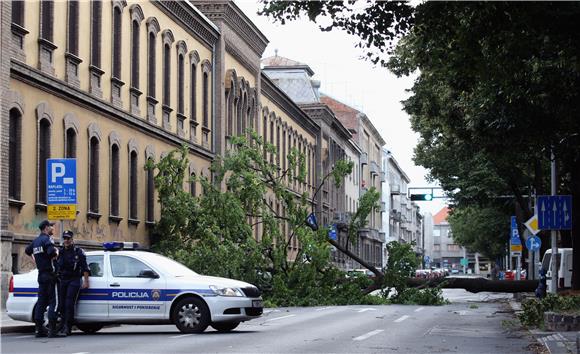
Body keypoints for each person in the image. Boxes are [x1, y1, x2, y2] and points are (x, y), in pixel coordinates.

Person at [25, 220, 64, 338]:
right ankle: (52, 330)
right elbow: (52, 252)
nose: (53, 228)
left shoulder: (36, 241)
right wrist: (56, 252)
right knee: (54, 302)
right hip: (51, 275)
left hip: (41, 275)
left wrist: (36, 260)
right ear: (46, 228)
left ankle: (38, 330)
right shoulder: (47, 240)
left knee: (41, 302)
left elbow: (27, 251)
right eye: (51, 226)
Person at [56, 230, 89, 336]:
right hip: (63, 280)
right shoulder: (60, 251)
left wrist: (86, 281)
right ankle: (61, 325)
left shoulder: (78, 252)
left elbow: (85, 267)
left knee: (69, 304)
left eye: (68, 238)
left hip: (74, 280)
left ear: (72, 239)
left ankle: (68, 327)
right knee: (61, 304)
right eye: (64, 238)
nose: (66, 240)